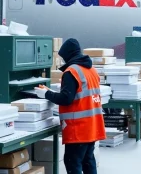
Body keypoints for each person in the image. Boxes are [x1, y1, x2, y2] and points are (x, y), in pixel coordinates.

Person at [34, 38, 106, 174]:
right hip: (93, 125)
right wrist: (50, 92)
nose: (62, 60)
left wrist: (46, 94)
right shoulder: (91, 70)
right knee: (88, 160)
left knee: (73, 162)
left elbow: (66, 98)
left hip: (79, 128)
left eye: (62, 57)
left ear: (68, 54)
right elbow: (77, 95)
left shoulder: (71, 72)